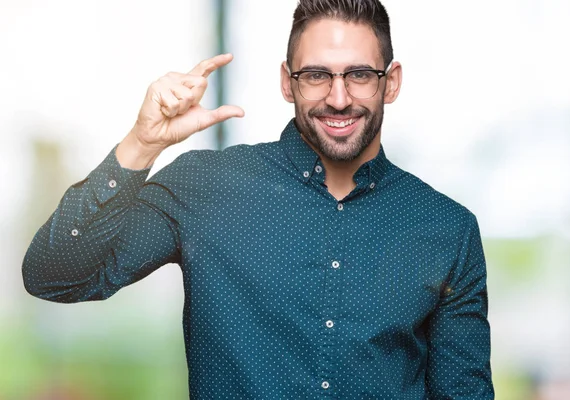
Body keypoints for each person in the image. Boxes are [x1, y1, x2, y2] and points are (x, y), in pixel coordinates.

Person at [22, 0, 494, 398]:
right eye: (316, 75)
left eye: (359, 75)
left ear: (390, 82)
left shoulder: (447, 229)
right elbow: (55, 276)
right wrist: (142, 144)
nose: (338, 97)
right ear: (287, 82)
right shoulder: (205, 186)